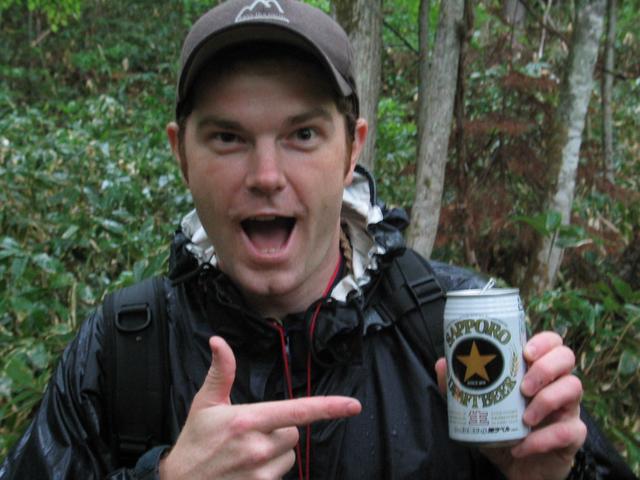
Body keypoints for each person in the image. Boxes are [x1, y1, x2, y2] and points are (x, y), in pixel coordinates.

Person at [1, 1, 636, 479]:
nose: (267, 176)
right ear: (181, 155)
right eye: (228, 137)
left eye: (303, 134)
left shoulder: (455, 328)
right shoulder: (122, 349)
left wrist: (556, 474)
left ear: (351, 149)